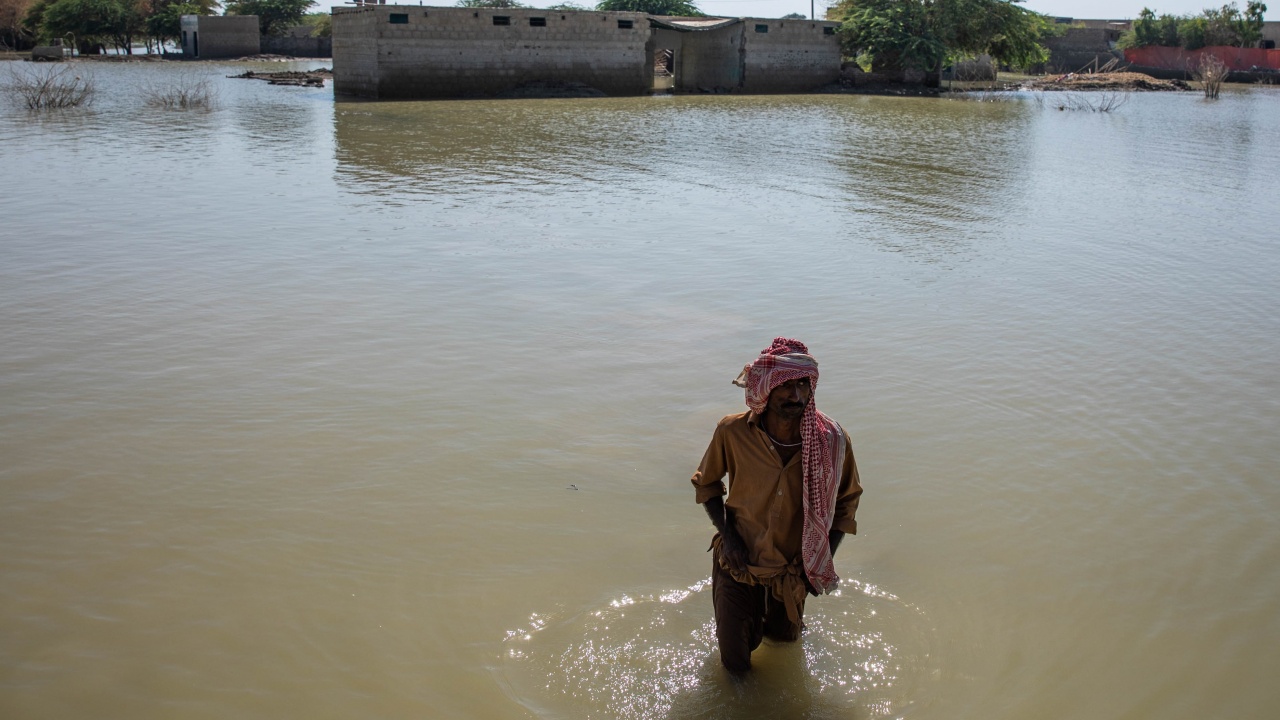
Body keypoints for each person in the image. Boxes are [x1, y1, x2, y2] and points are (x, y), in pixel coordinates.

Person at [691, 337, 862, 673]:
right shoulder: (733, 432)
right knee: (735, 662)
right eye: (786, 386)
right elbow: (707, 484)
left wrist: (818, 562)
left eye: (803, 385)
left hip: (792, 572)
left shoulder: (831, 440)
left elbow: (846, 505)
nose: (796, 396)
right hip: (738, 563)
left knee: (784, 647)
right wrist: (729, 536)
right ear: (766, 390)